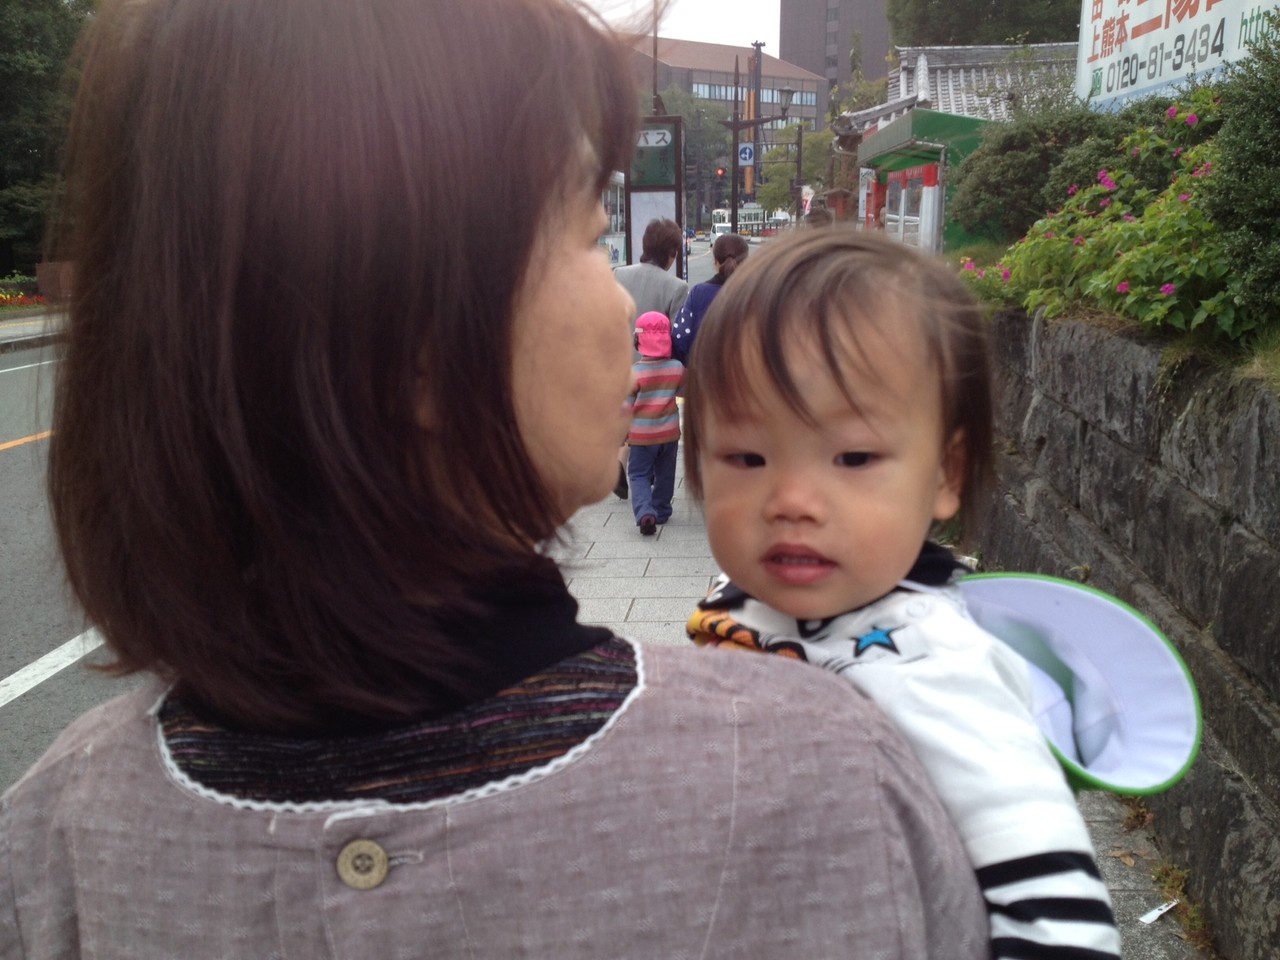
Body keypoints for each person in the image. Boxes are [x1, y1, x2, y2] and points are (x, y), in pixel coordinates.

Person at [0, 1, 992, 957]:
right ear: (414, 341)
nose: (620, 307)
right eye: (589, 237)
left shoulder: (54, 842)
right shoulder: (812, 783)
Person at [682, 229, 1122, 960]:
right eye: (746, 457)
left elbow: (1048, 889)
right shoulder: (746, 596)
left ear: (946, 474)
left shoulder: (929, 662)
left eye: (853, 457)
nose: (791, 501)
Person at [611, 217, 689, 500]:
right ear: (670, 252)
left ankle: (621, 463)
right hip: (653, 370)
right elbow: (676, 336)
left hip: (620, 362)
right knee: (650, 420)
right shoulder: (677, 287)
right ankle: (644, 473)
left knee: (628, 414)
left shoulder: (619, 274)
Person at [626, 311, 683, 535]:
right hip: (669, 434)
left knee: (638, 474)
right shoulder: (676, 368)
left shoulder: (634, 373)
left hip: (641, 437)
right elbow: (686, 390)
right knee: (665, 474)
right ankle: (661, 509)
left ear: (639, 340)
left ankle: (645, 512)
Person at [670, 231, 747, 364]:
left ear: (715, 260)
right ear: (746, 261)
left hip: (704, 372)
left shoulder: (698, 293)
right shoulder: (757, 294)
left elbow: (680, 338)